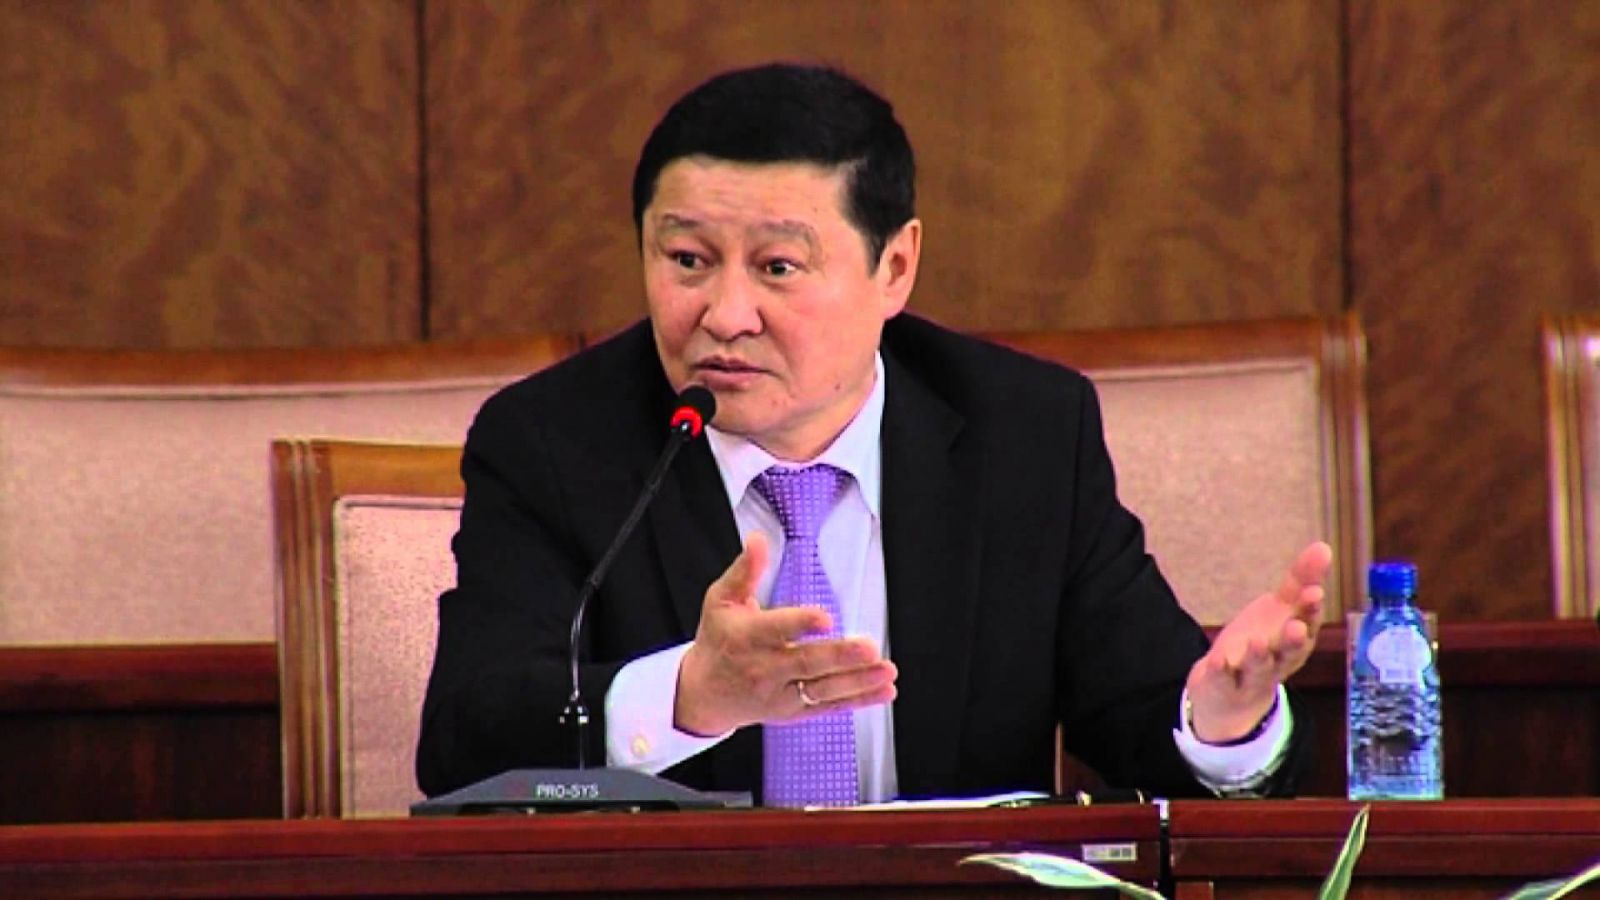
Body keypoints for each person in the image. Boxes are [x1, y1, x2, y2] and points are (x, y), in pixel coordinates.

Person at [416, 62, 1329, 805]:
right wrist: (688, 697)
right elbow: (465, 743)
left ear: (895, 267)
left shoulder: (1025, 435)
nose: (725, 314)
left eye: (778, 266)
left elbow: (1145, 715)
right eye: (686, 259)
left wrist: (1222, 724)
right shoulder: (552, 443)